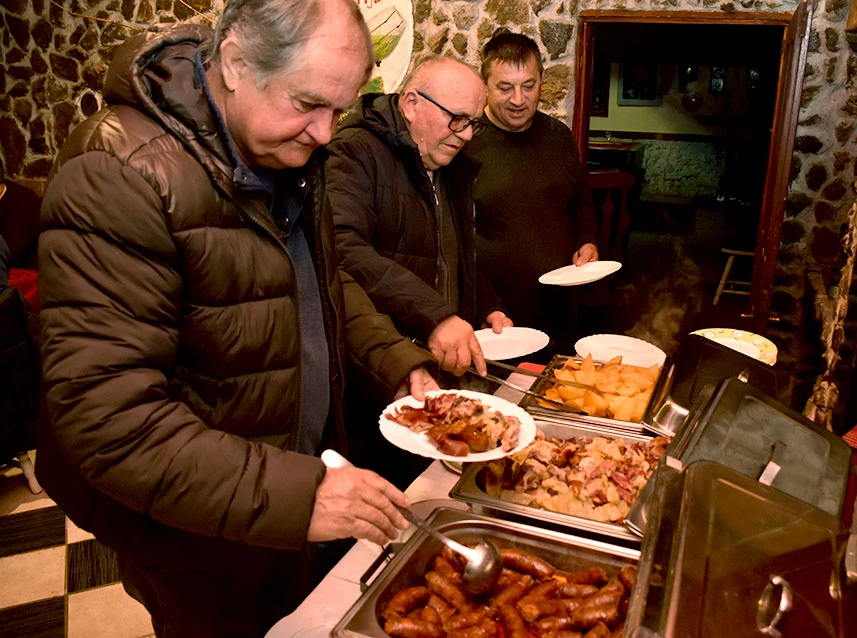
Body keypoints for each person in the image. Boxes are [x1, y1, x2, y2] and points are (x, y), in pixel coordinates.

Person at [36, 1, 438, 636]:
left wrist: (394, 363)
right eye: (308, 103)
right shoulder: (118, 172)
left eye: (339, 111)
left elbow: (318, 286)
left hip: (279, 496)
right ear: (233, 63)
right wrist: (299, 495)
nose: (325, 133)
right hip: (196, 532)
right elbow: (109, 418)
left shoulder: (288, 152)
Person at [326, 56, 511, 378]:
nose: (467, 134)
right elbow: (342, 250)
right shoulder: (354, 151)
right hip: (381, 368)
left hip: (439, 359)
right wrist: (435, 316)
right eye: (457, 119)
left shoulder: (448, 162)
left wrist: (486, 306)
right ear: (411, 104)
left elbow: (452, 255)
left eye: (473, 123)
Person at [462, 30, 599, 350]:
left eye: (528, 86)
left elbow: (582, 202)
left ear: (541, 81)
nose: (518, 99)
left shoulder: (559, 137)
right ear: (485, 86)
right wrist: (485, 304)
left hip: (558, 310)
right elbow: (455, 243)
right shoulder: (465, 145)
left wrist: (588, 240)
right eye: (505, 88)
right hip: (495, 317)